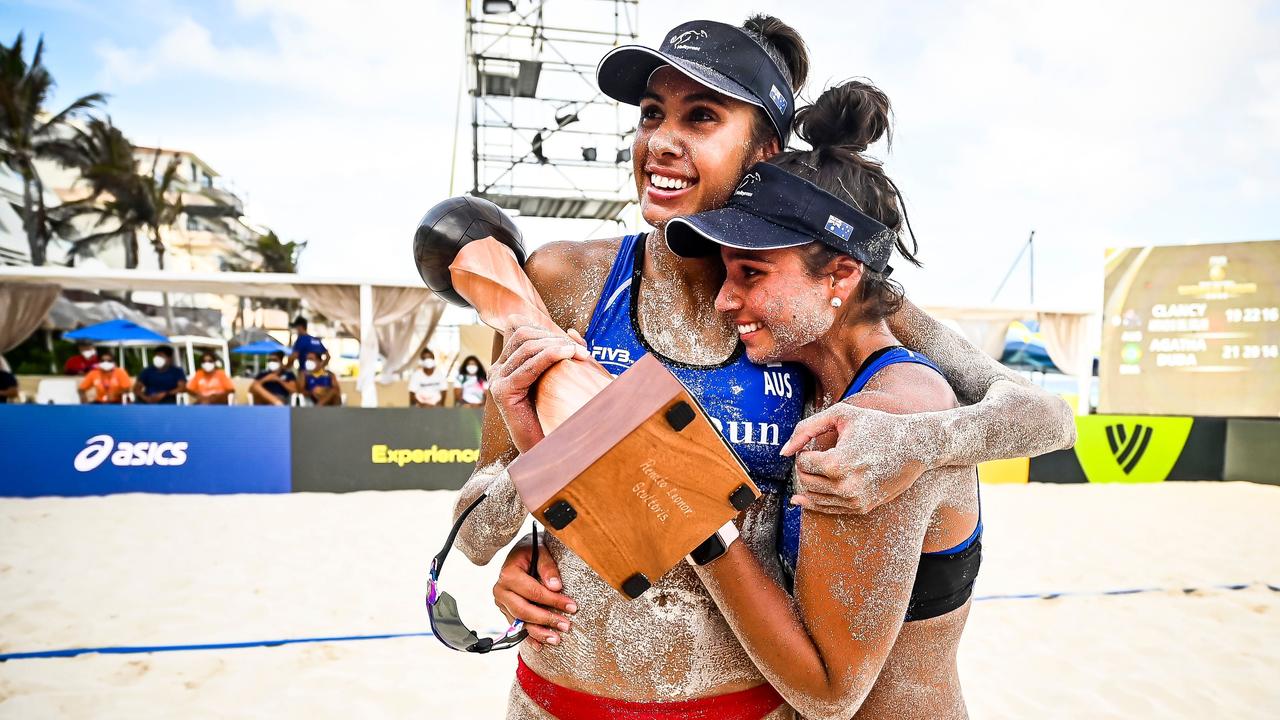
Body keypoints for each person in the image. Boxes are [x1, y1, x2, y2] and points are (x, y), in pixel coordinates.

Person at [462, 16, 1075, 720]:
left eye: (701, 118)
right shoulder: (568, 278)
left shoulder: (811, 307)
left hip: (747, 705)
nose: (661, 140)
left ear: (764, 153)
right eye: (651, 114)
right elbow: (479, 529)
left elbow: (1047, 414)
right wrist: (526, 532)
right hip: (556, 698)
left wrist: (914, 442)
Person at [660, 80, 983, 719]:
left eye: (751, 273)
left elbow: (830, 692)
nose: (725, 301)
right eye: (725, 272)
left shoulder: (886, 415)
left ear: (839, 275)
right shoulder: (824, 383)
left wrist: (694, 518)